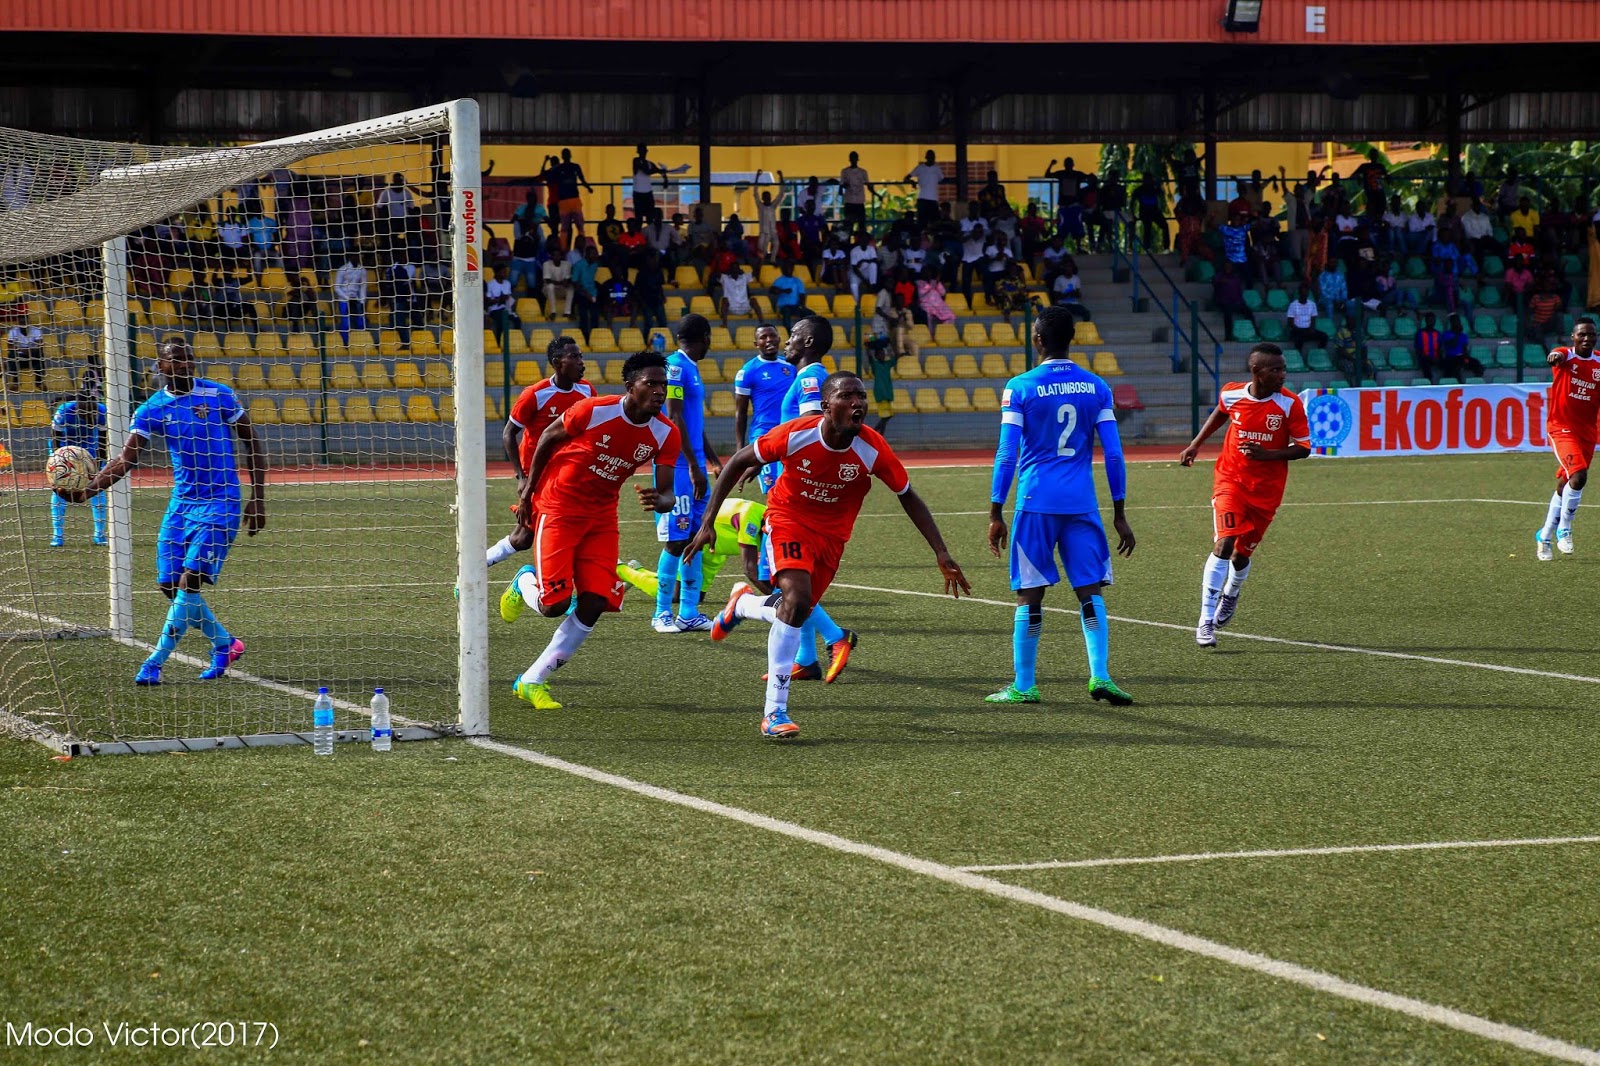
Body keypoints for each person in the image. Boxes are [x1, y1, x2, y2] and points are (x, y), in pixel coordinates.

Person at [693, 370, 970, 738]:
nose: (858, 403)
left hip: (833, 538)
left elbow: (908, 495)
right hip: (787, 519)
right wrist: (708, 520)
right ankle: (774, 712)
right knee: (797, 599)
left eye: (861, 397)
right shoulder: (795, 433)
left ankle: (743, 605)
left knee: (795, 609)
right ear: (826, 406)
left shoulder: (872, 448)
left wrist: (941, 552)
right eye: (847, 397)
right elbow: (738, 461)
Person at [59, 338, 266, 684]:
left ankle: (154, 662)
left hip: (221, 502)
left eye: (189, 359)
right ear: (161, 366)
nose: (185, 365)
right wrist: (86, 492)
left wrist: (258, 497)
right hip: (182, 504)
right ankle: (225, 644)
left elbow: (252, 441)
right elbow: (126, 460)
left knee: (189, 583)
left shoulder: (218, 395)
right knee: (169, 586)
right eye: (176, 360)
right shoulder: (152, 409)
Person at [509, 351, 681, 709]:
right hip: (559, 506)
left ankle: (531, 680)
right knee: (553, 605)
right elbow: (546, 440)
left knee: (594, 602)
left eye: (663, 385)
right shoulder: (595, 409)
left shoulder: (665, 433)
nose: (659, 391)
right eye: (651, 383)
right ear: (630, 386)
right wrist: (528, 491)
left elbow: (666, 491)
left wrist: (663, 501)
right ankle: (524, 581)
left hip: (602, 517)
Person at [985, 304, 1135, 706]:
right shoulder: (1097, 386)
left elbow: (1006, 453)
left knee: (1030, 593)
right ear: (1072, 339)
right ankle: (1100, 676)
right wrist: (1119, 512)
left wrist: (996, 510)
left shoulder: (1020, 386)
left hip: (1036, 502)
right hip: (1082, 502)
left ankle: (1024, 684)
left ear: (1037, 340)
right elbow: (1115, 454)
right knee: (1091, 591)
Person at [1178, 343, 1311, 647]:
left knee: (1241, 555)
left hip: (1266, 492)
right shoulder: (1232, 393)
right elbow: (1220, 413)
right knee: (1224, 543)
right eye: (1275, 369)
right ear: (1256, 371)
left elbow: (1303, 448)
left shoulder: (1290, 405)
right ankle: (1205, 621)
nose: (1282, 374)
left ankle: (1232, 593)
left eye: (1283, 368)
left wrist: (1267, 454)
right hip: (1231, 481)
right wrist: (1196, 443)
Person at [489, 337, 594, 618]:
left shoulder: (587, 392)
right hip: (539, 478)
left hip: (568, 478)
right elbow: (509, 433)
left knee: (544, 535)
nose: (582, 362)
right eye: (575, 356)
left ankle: (564, 590)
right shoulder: (535, 394)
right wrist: (520, 477)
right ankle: (473, 573)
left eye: (581, 356)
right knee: (525, 537)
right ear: (558, 362)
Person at [651, 314, 723, 633]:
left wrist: (711, 459)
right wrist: (694, 467)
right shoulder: (675, 368)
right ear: (704, 337)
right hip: (678, 467)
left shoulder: (691, 368)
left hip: (693, 465)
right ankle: (661, 613)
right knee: (675, 541)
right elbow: (675, 417)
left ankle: (689, 612)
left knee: (695, 537)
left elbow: (694, 424)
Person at [619, 496, 771, 602]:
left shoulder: (774, 520)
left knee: (696, 596)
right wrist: (778, 597)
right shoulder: (749, 517)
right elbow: (750, 569)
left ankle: (639, 571)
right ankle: (620, 569)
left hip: (718, 549)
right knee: (675, 596)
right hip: (697, 541)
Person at [1534, 319, 1600, 561]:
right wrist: (1554, 356)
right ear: (1573, 337)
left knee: (1565, 485)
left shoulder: (1599, 363)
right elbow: (1556, 354)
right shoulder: (1566, 356)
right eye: (1582, 334)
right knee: (1580, 475)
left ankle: (1545, 535)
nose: (1587, 338)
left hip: (1587, 433)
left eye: (1591, 335)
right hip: (1561, 428)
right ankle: (1566, 527)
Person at [733, 324, 796, 492]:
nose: (769, 340)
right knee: (772, 489)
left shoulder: (791, 367)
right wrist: (740, 450)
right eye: (763, 337)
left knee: (789, 487)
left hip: (789, 434)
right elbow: (740, 412)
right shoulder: (748, 371)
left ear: (779, 339)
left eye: (772, 336)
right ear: (756, 343)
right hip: (764, 436)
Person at [48, 387, 108, 547]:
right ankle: (57, 535)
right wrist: (57, 463)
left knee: (97, 488)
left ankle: (100, 534)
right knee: (60, 488)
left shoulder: (102, 411)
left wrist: (98, 467)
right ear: (78, 405)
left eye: (92, 411)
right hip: (63, 448)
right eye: (85, 411)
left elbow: (103, 442)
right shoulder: (65, 411)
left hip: (88, 448)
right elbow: (55, 439)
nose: (90, 414)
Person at [540, 149, 594, 250]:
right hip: (563, 201)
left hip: (572, 199)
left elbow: (582, 179)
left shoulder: (574, 166)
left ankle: (580, 248)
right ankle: (564, 249)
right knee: (565, 228)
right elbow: (544, 175)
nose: (566, 156)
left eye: (566, 154)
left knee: (578, 226)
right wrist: (546, 162)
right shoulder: (559, 168)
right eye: (565, 154)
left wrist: (588, 187)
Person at [905, 150, 948, 226]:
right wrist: (912, 182)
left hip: (933, 199)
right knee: (922, 222)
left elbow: (942, 179)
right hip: (922, 198)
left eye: (933, 157)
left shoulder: (937, 169)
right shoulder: (920, 168)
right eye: (930, 157)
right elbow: (906, 178)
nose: (931, 159)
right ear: (926, 157)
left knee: (935, 222)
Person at [630, 143, 668, 221]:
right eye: (641, 150)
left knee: (650, 218)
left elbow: (660, 173)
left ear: (646, 151)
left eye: (644, 150)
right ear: (638, 151)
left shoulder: (650, 163)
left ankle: (648, 233)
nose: (642, 152)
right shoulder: (636, 160)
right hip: (638, 193)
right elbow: (646, 171)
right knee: (638, 218)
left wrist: (665, 178)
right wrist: (658, 170)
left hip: (648, 193)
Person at [4, 321, 43, 394]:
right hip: (19, 355)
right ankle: (15, 382)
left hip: (32, 354)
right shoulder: (14, 331)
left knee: (40, 353)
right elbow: (10, 346)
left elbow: (40, 344)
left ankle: (39, 382)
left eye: (24, 322)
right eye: (21, 323)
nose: (23, 325)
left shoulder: (35, 330)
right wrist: (22, 349)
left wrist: (30, 350)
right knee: (12, 355)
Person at [836, 151, 873, 227]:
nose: (853, 160)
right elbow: (841, 187)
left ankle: (861, 238)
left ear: (857, 159)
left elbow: (868, 185)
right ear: (849, 159)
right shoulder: (845, 171)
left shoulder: (863, 172)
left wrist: (876, 194)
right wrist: (844, 186)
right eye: (852, 158)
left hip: (859, 202)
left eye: (855, 158)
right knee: (849, 226)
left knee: (862, 225)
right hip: (849, 202)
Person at [769, 260, 806, 330]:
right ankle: (788, 331)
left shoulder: (797, 281)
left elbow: (802, 295)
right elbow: (772, 290)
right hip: (783, 307)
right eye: (787, 267)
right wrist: (783, 291)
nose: (789, 269)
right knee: (787, 311)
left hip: (795, 306)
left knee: (810, 313)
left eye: (790, 267)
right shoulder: (779, 280)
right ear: (783, 269)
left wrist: (802, 306)